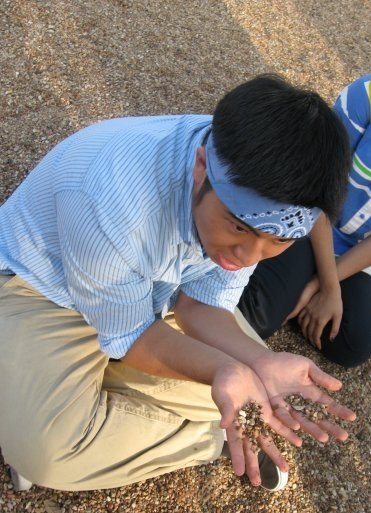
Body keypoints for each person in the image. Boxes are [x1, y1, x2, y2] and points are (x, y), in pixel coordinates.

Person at [0, 74, 355, 494]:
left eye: (277, 241)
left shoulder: (252, 183)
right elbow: (132, 335)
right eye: (238, 228)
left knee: (257, 393)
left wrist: (256, 362)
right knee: (49, 453)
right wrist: (221, 368)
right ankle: (205, 438)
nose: (248, 256)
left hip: (153, 297)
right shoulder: (110, 197)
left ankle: (67, 401)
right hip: (45, 289)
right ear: (201, 167)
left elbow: (199, 305)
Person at [238, 74, 371, 369]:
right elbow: (319, 190)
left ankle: (292, 292)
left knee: (352, 345)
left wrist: (319, 286)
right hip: (309, 217)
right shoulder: (365, 96)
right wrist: (329, 288)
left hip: (356, 250)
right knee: (254, 319)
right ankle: (284, 288)